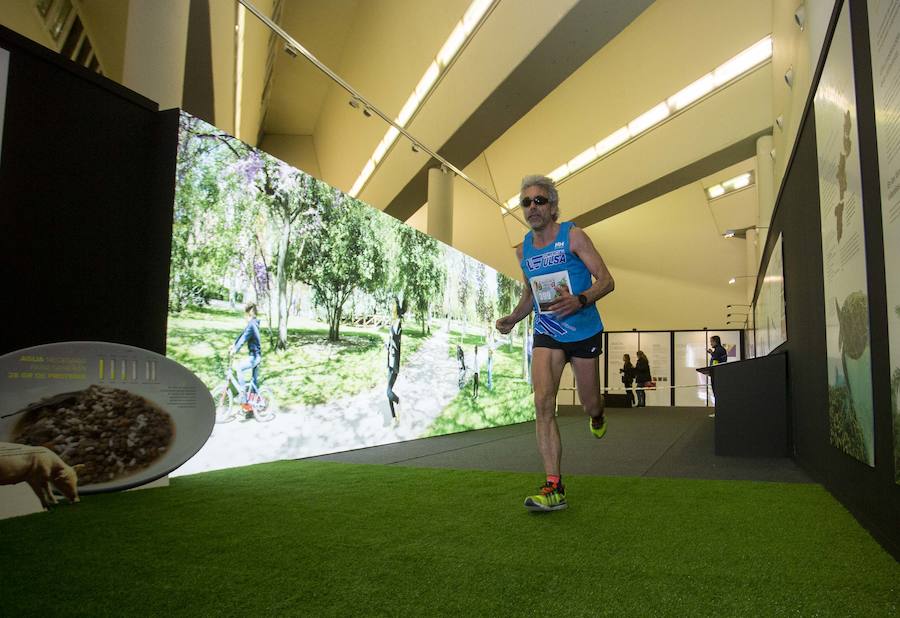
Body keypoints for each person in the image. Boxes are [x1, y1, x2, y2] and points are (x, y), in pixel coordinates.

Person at [496, 175, 615, 512]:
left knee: (591, 402)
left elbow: (607, 281)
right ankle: (554, 486)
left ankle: (597, 415)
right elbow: (530, 292)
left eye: (539, 201)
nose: (532, 207)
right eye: (526, 202)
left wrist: (580, 299)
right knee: (543, 404)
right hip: (547, 331)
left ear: (552, 206)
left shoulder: (573, 236)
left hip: (583, 331)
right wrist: (514, 317)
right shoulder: (524, 250)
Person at [232, 303, 262, 412]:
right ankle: (251, 408)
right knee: (254, 382)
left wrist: (235, 349)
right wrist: (234, 345)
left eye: (245, 314)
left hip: (254, 357)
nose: (244, 317)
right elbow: (242, 334)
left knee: (239, 367)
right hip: (256, 356)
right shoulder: (253, 324)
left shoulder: (251, 325)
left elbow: (244, 337)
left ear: (248, 314)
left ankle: (243, 397)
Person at [386, 298, 405, 421]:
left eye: (393, 305)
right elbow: (392, 342)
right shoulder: (393, 322)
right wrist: (387, 344)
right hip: (389, 362)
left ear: (396, 310)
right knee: (389, 391)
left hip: (394, 364)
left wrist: (391, 343)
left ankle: (399, 401)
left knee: (388, 391)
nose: (391, 307)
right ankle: (394, 417)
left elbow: (397, 342)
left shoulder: (398, 323)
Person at [707, 335, 727, 408]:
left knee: (717, 393)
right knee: (716, 393)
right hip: (716, 374)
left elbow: (716, 358)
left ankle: (719, 411)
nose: (711, 343)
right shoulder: (718, 350)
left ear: (716, 341)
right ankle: (718, 411)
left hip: (718, 374)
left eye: (711, 341)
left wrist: (711, 353)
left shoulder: (719, 350)